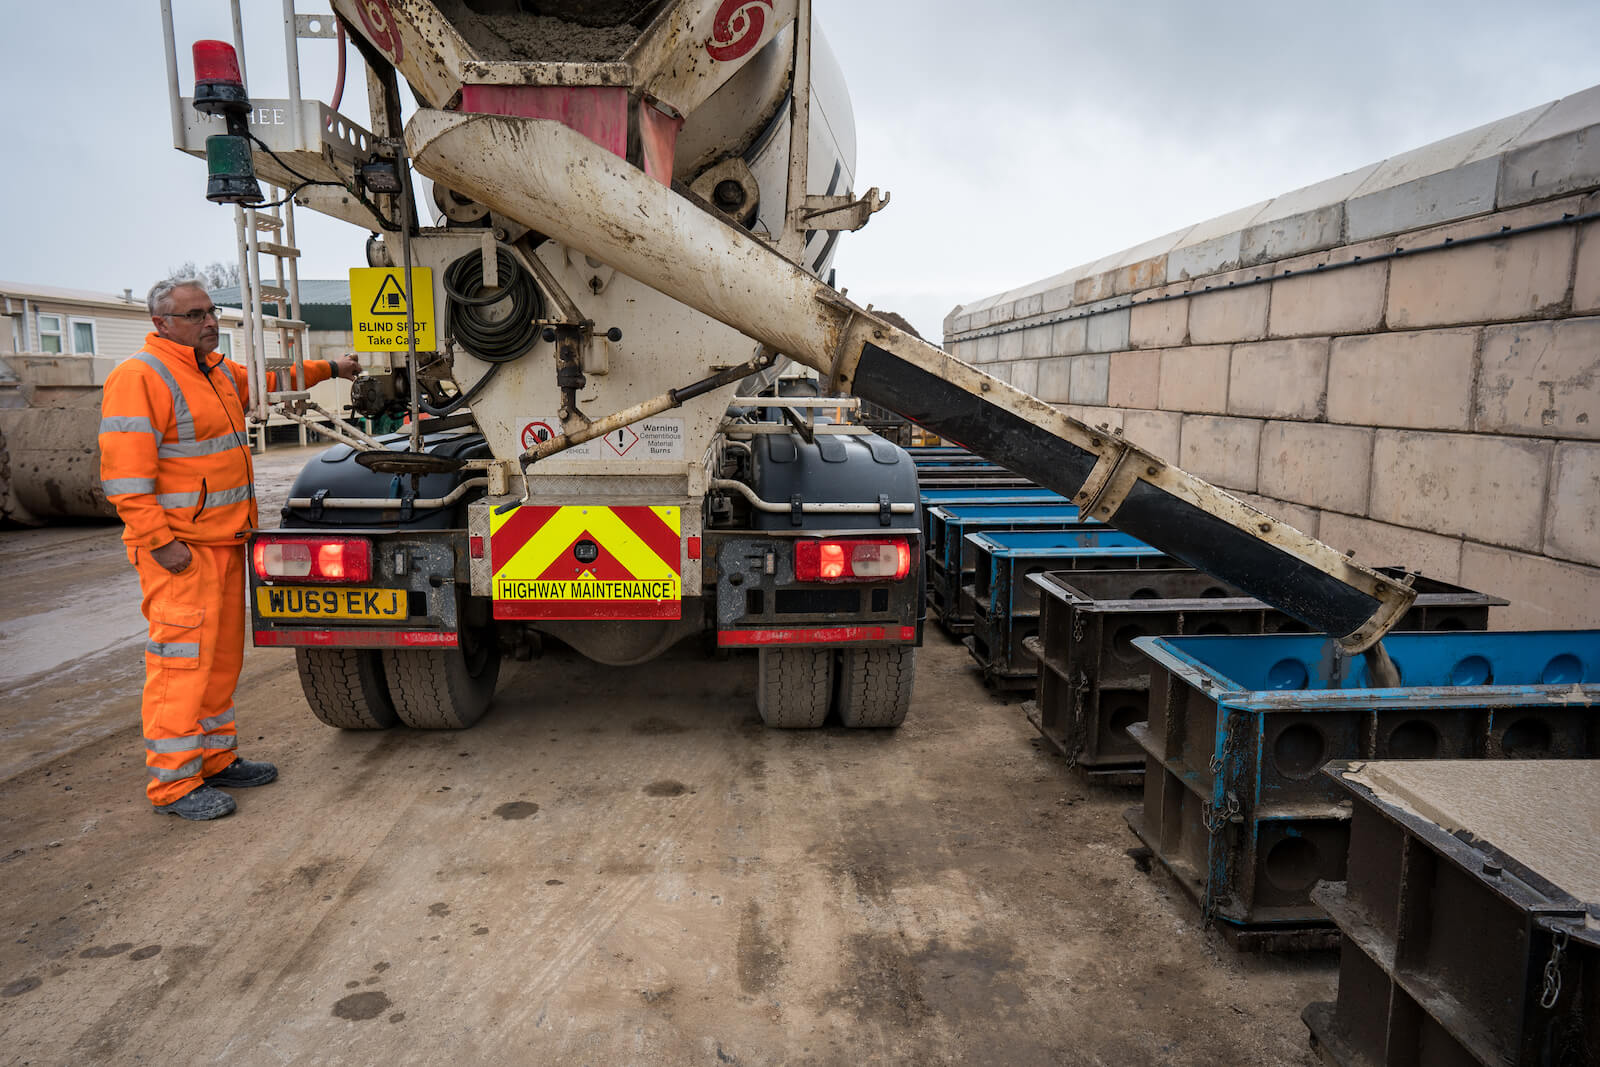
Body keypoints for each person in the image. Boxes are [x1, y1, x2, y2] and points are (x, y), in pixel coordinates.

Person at [99, 277, 360, 821]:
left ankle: (215, 759)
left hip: (221, 541)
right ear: (161, 324)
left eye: (210, 312)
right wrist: (159, 542)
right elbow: (126, 479)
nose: (209, 322)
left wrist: (333, 369)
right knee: (180, 664)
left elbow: (274, 380)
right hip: (180, 551)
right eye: (194, 315)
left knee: (218, 662)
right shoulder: (140, 377)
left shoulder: (216, 371)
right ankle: (173, 785)